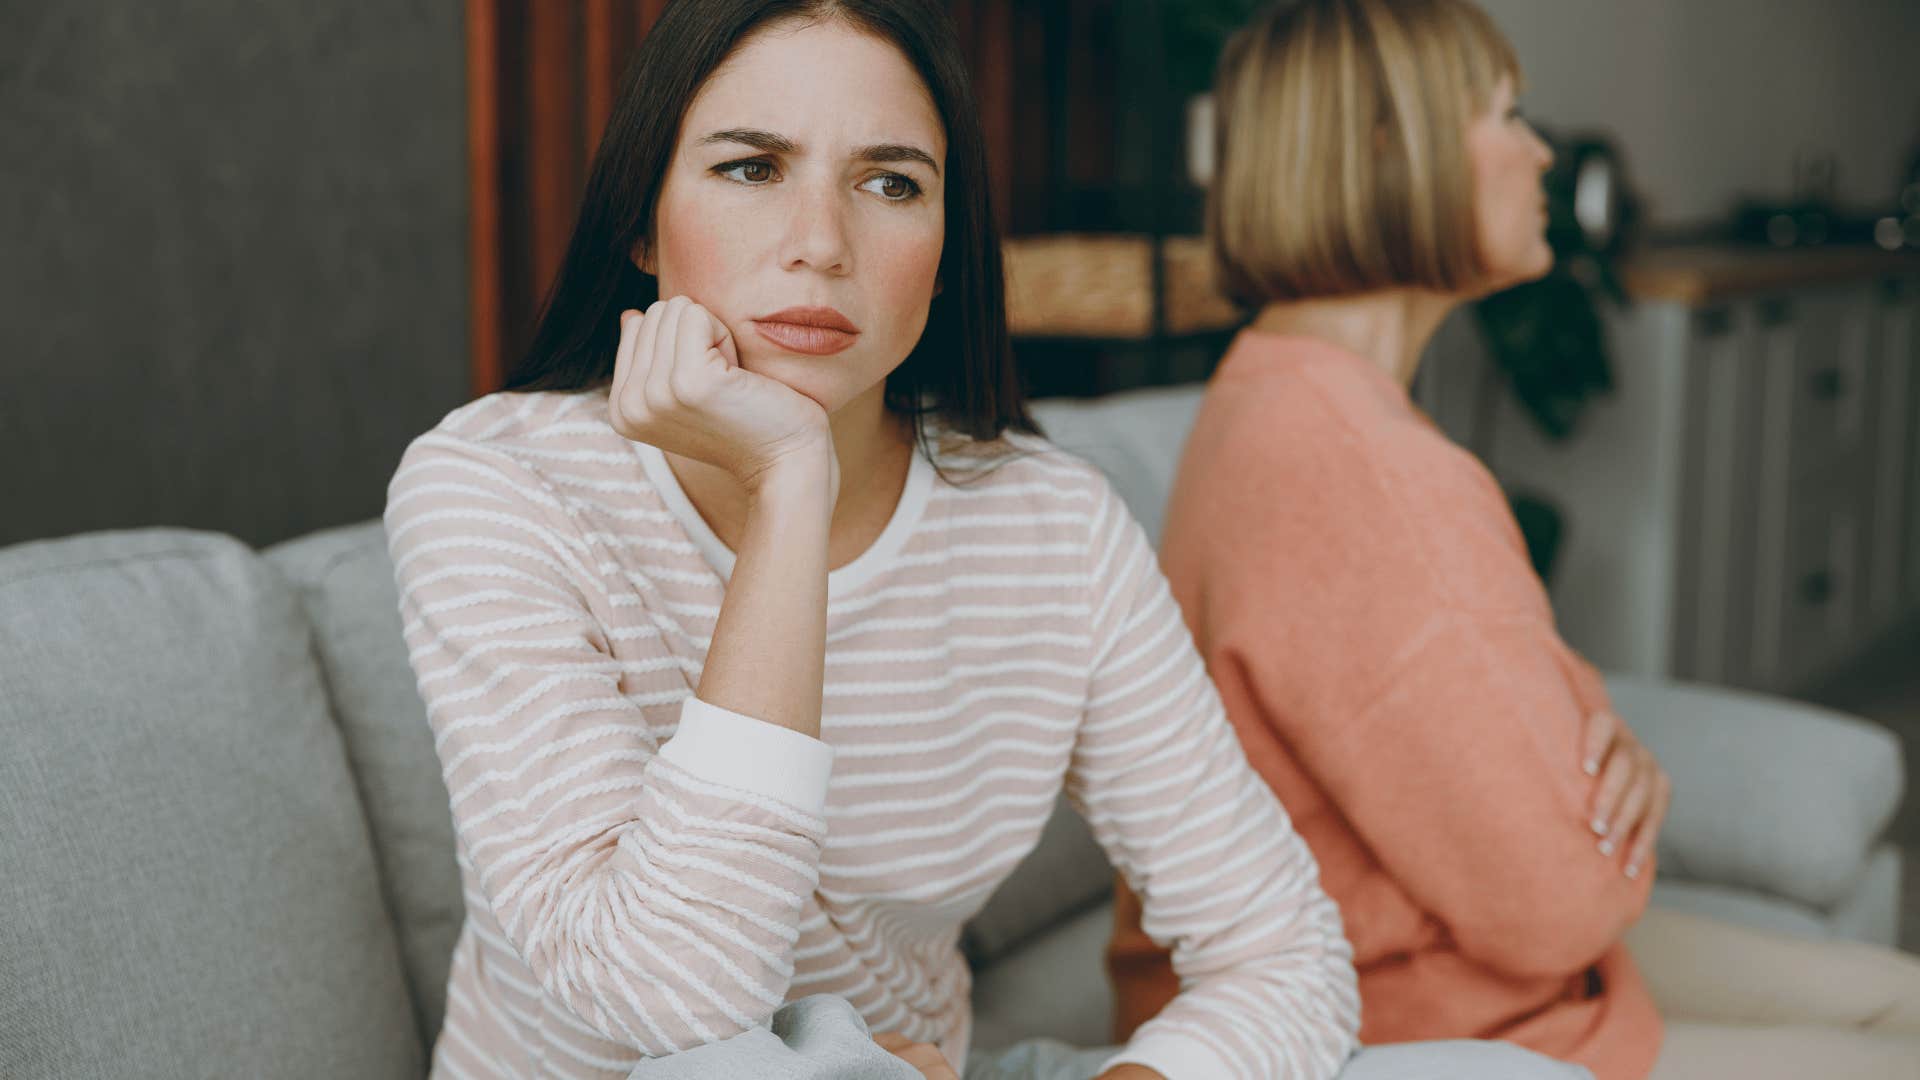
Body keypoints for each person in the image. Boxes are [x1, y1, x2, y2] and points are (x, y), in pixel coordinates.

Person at [382, 1, 1577, 1077]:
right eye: (752, 168)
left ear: (948, 249)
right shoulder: (499, 488)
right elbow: (671, 1002)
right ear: (642, 227)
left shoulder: (1050, 526)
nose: (822, 242)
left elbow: (1283, 951)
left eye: (891, 183)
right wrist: (791, 486)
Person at [1104, 2, 1920, 1078]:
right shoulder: (1373, 475)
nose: (1542, 152)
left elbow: (1510, 697)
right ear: (1395, 154)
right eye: (1507, 115)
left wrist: (1594, 735)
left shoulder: (1279, 390)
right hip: (1402, 1020)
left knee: (1899, 1000)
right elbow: (1562, 903)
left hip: (1400, 973)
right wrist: (1598, 754)